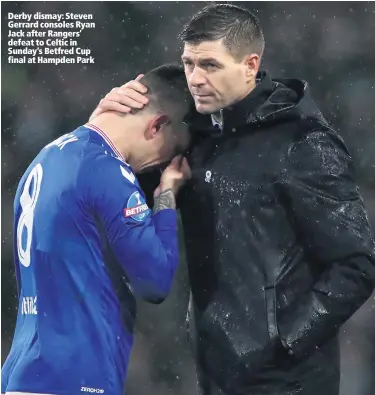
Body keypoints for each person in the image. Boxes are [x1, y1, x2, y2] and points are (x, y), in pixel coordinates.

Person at [91, 4, 375, 395]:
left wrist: (284, 342)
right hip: (215, 373)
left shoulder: (302, 143)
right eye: (188, 63)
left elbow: (356, 264)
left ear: (250, 64)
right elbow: (122, 197)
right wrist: (105, 121)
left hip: (287, 383)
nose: (194, 78)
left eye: (210, 65)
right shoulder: (197, 137)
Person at [1, 64, 193, 395]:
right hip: (76, 378)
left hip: (22, 373)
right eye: (172, 152)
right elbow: (155, 280)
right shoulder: (108, 172)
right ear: (157, 125)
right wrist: (165, 199)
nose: (164, 165)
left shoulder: (45, 159)